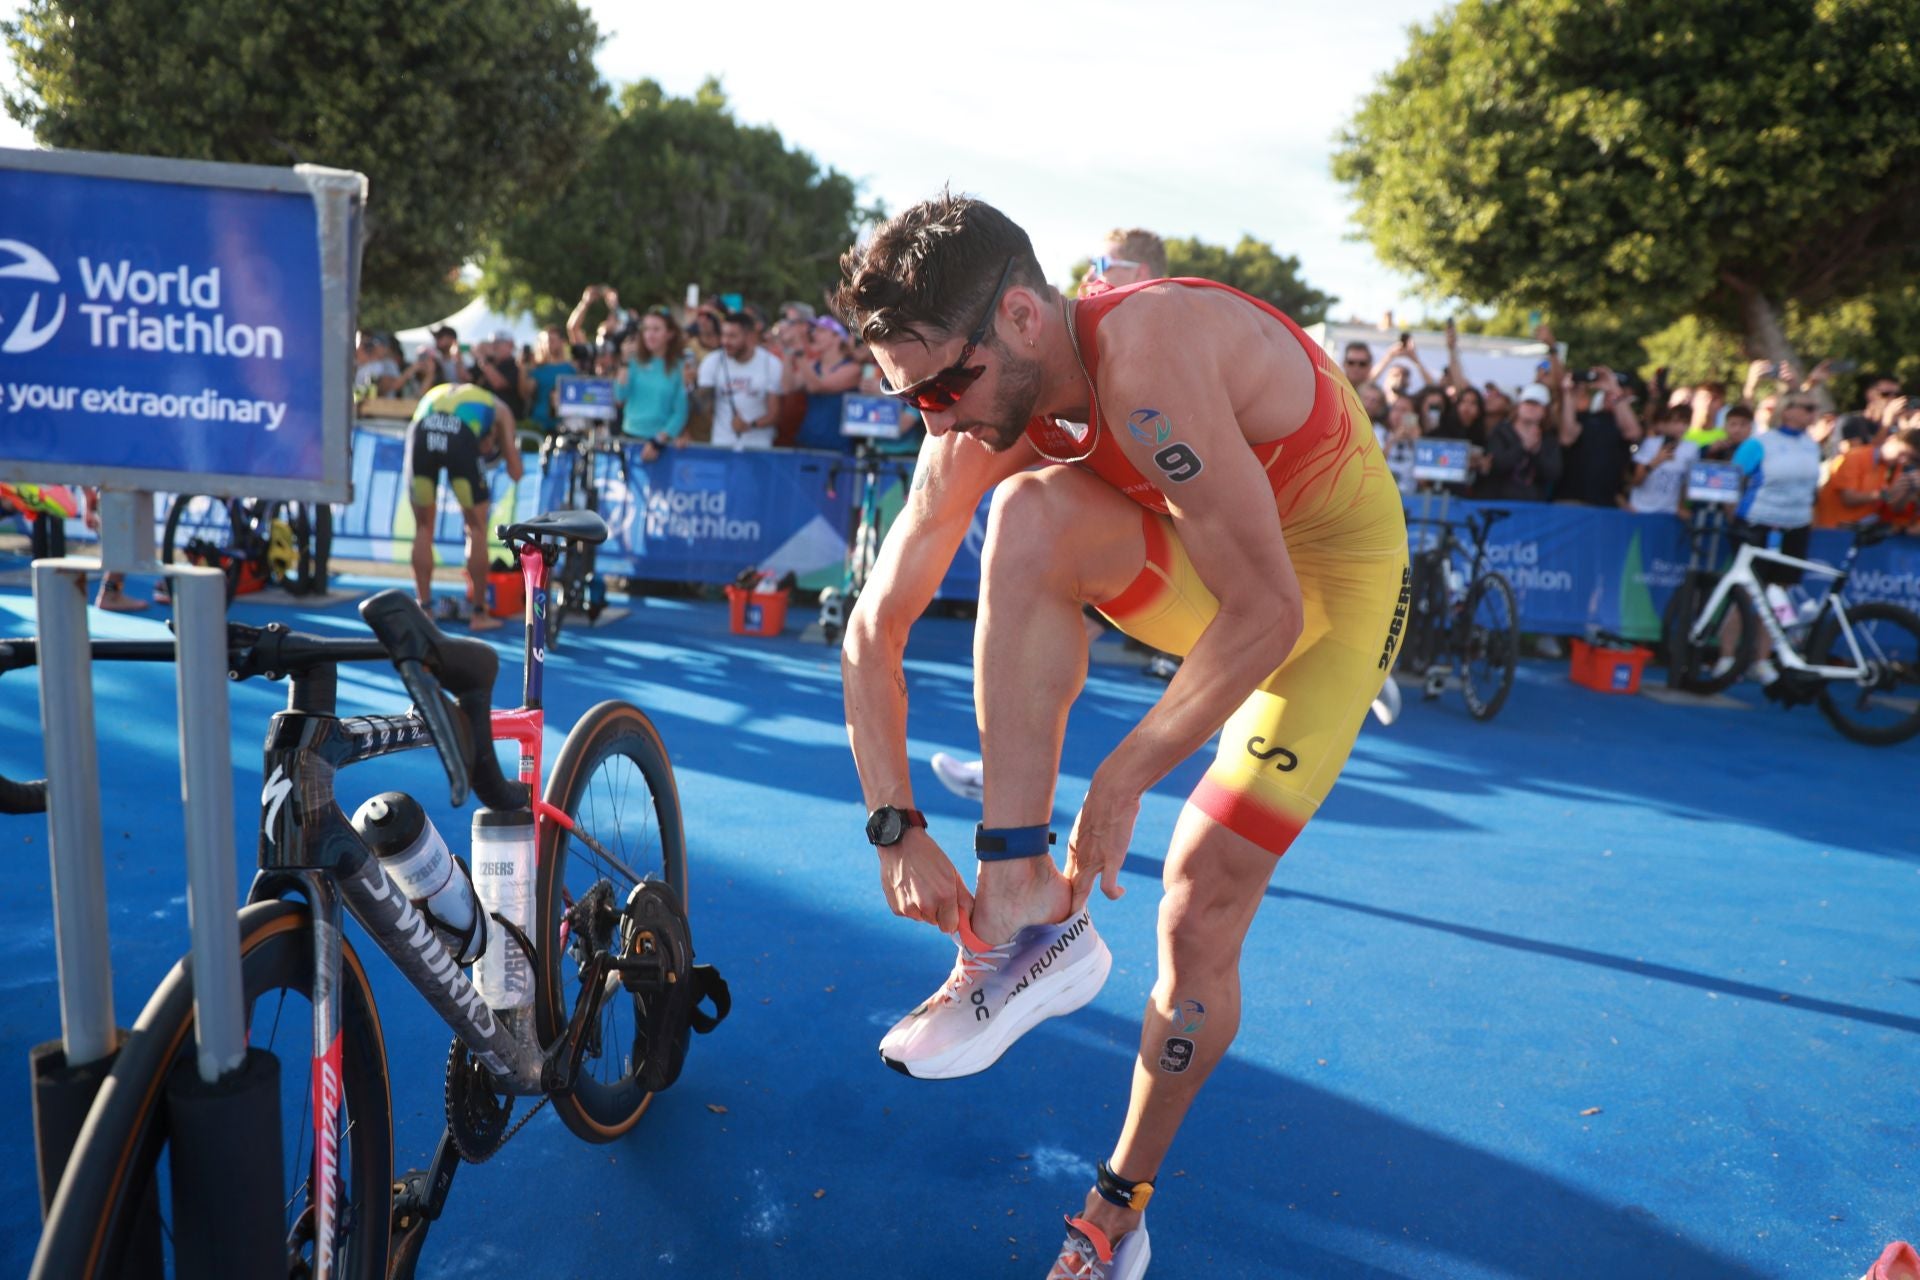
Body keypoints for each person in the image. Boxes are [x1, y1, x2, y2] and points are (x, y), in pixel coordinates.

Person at [834, 193, 1407, 1278]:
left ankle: (1117, 1204)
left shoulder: (1147, 353)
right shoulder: (973, 411)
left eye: (944, 388)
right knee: (1032, 512)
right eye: (908, 397)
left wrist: (1129, 768)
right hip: (1220, 575)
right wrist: (892, 822)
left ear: (1021, 318)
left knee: (1199, 895)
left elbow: (1273, 613)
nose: (935, 422)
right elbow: (874, 626)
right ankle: (1022, 914)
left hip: (1329, 592)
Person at [1714, 391, 1824, 686]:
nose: (1813, 414)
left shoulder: (1812, 447)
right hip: (1757, 524)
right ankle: (1726, 656)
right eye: (1808, 408)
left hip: (1795, 526)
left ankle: (1761, 659)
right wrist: (1733, 517)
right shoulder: (1759, 444)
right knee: (1748, 592)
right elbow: (1730, 481)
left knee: (1777, 594)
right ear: (1788, 411)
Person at [403, 383, 523, 631]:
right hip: (460, 435)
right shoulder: (499, 410)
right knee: (476, 528)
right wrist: (499, 445)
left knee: (423, 527)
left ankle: (424, 610)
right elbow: (516, 470)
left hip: (421, 431)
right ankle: (479, 614)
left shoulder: (444, 391)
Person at [694, 312, 785, 449]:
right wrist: (690, 385)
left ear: (749, 336)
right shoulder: (712, 362)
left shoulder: (771, 364)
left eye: (732, 336)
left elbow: (775, 413)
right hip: (722, 445)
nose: (725, 341)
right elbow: (703, 406)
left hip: (758, 447)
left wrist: (750, 425)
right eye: (723, 335)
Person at [616, 307, 691, 460]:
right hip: (630, 436)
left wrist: (658, 441)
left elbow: (680, 411)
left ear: (669, 334)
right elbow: (619, 396)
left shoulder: (679, 367)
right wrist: (624, 363)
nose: (650, 335)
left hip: (662, 443)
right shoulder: (634, 362)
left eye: (656, 329)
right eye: (646, 329)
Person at [791, 316, 863, 452]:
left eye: (822, 331)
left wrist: (800, 355)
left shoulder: (852, 369)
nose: (814, 334)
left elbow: (817, 387)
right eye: (814, 330)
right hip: (807, 441)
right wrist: (788, 351)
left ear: (838, 337)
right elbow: (788, 386)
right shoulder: (812, 365)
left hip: (837, 446)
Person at [1482, 383, 1563, 501]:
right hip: (1499, 505)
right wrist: (1523, 447)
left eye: (1537, 404)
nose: (1531, 407)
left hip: (1532, 508)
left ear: (1545, 411)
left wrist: (1536, 453)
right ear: (1519, 406)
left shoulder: (1549, 439)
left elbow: (1553, 474)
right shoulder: (1501, 432)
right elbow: (1495, 466)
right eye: (1528, 402)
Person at [1627, 403, 1699, 516]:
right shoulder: (1650, 444)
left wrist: (1682, 507)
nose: (1680, 427)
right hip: (1641, 509)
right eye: (1676, 422)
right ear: (1667, 423)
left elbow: (1687, 482)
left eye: (1685, 423)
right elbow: (1636, 481)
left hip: (1668, 512)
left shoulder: (1692, 449)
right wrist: (1655, 461)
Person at [525, 326, 575, 436]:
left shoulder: (571, 369)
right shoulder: (538, 369)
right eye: (547, 341)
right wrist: (523, 368)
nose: (549, 344)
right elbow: (526, 393)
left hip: (564, 426)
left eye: (552, 341)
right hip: (539, 424)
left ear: (562, 342)